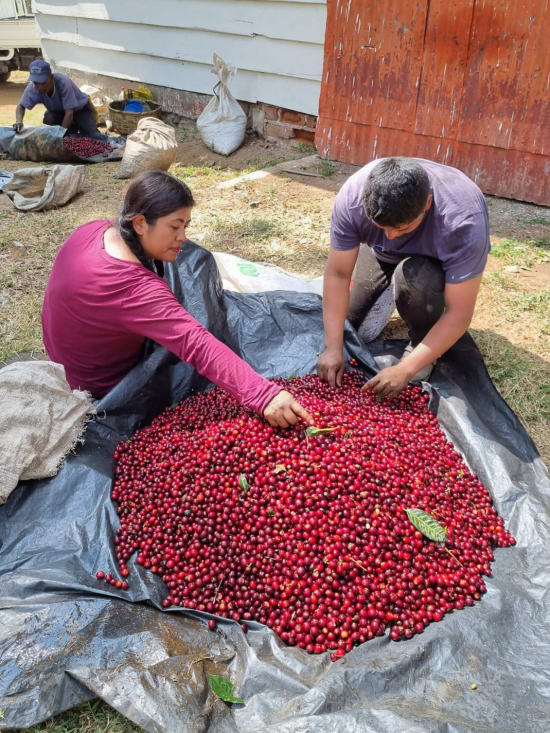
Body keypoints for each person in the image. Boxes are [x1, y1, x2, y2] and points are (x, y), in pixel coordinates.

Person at [42, 170, 313, 429]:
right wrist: (263, 394)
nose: (182, 237)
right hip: (100, 384)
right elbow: (196, 344)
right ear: (139, 223)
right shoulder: (134, 288)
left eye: (185, 226)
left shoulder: (94, 230)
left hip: (63, 358)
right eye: (174, 227)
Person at [317, 156, 490, 399]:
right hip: (380, 256)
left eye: (402, 228)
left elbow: (459, 313)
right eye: (381, 227)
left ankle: (420, 339)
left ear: (427, 203)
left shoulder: (462, 222)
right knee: (357, 331)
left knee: (418, 280)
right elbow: (338, 274)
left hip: (429, 266)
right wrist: (332, 346)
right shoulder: (353, 199)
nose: (390, 237)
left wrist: (405, 369)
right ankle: (389, 285)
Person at [12, 59, 105, 139]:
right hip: (59, 113)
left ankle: (75, 128)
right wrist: (19, 121)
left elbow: (69, 113)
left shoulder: (63, 82)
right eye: (36, 83)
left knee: (93, 137)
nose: (40, 87)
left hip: (80, 110)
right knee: (49, 118)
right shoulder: (33, 87)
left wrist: (59, 136)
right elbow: (21, 106)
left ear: (51, 77)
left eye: (43, 82)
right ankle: (70, 131)